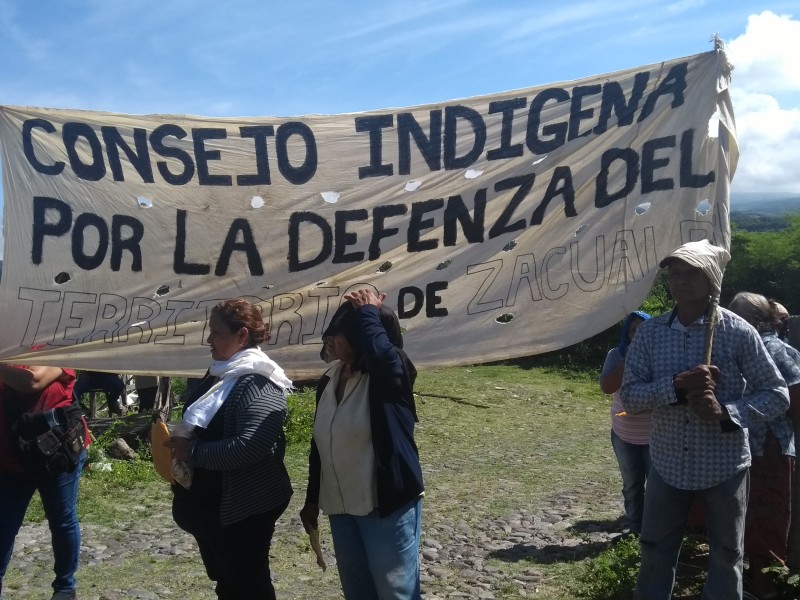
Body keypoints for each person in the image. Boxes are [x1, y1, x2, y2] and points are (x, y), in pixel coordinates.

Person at [621, 239, 790, 600]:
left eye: (691, 273)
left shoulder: (737, 332)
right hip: (667, 462)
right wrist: (676, 387)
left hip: (724, 463)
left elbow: (777, 394)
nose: (680, 281)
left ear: (712, 279)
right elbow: (630, 396)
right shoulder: (651, 333)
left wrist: (727, 412)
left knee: (727, 555)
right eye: (674, 274)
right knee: (654, 549)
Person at [300, 288, 424, 600]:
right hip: (341, 507)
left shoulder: (390, 377)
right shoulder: (331, 378)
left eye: (339, 335)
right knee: (358, 592)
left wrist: (368, 312)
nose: (331, 341)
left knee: (395, 592)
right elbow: (322, 444)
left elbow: (383, 356)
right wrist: (313, 498)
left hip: (384, 506)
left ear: (360, 336)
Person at [165, 298, 293, 600]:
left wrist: (191, 451)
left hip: (243, 508)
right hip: (214, 509)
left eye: (217, 332)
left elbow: (251, 446)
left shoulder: (258, 381)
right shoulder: (222, 372)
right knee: (228, 582)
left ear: (242, 336)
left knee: (248, 585)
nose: (209, 339)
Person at [728, 292, 800, 597]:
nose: (729, 321)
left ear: (756, 321)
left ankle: (765, 582)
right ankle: (753, 576)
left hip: (770, 444)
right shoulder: (741, 346)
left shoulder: (777, 350)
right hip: (744, 445)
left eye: (737, 315)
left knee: (767, 509)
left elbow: (795, 401)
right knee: (749, 509)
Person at [0, 364, 88, 600]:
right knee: (3, 527)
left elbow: (32, 381)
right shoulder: (9, 354)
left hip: (56, 456)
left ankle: (65, 588)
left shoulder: (58, 349)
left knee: (62, 521)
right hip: (10, 459)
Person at [599, 310, 651, 535]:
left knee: (660, 486)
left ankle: (656, 531)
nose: (637, 334)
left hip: (657, 433)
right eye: (632, 330)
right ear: (626, 334)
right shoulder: (616, 355)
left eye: (643, 329)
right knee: (632, 485)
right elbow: (606, 387)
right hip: (624, 432)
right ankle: (635, 529)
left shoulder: (663, 354)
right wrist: (627, 359)